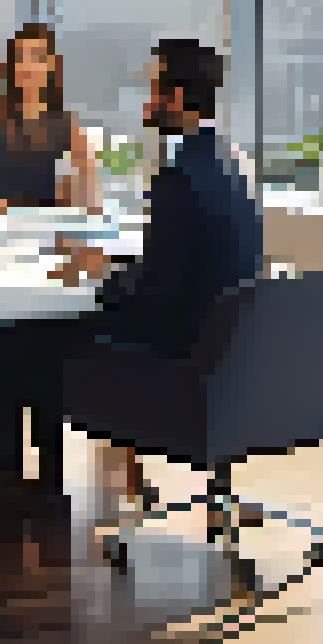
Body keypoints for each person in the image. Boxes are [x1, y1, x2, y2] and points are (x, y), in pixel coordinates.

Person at [50, 38, 265, 519]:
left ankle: (32, 494)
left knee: (45, 343)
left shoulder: (180, 176)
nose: (147, 100)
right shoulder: (235, 166)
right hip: (233, 363)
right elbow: (180, 273)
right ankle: (123, 481)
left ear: (179, 97)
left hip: (182, 366)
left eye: (154, 87)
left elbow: (155, 298)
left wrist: (101, 274)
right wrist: (118, 269)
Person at [0, 23, 100, 213]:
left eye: (37, 57)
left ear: (51, 65)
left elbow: (87, 199)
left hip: (49, 231)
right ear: (12, 65)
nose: (29, 66)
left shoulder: (69, 129)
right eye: (21, 57)